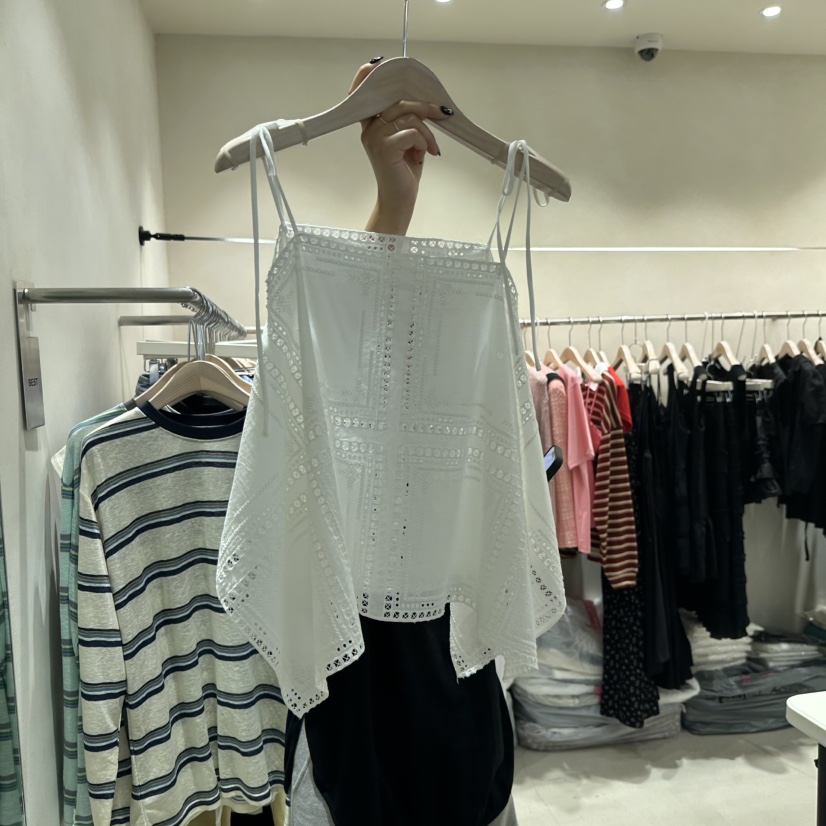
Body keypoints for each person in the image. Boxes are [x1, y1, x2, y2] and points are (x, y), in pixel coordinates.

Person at [281, 60, 520, 826]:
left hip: (460, 698)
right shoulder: (325, 400)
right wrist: (392, 205)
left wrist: (395, 204)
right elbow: (342, 357)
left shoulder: (473, 389)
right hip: (351, 706)